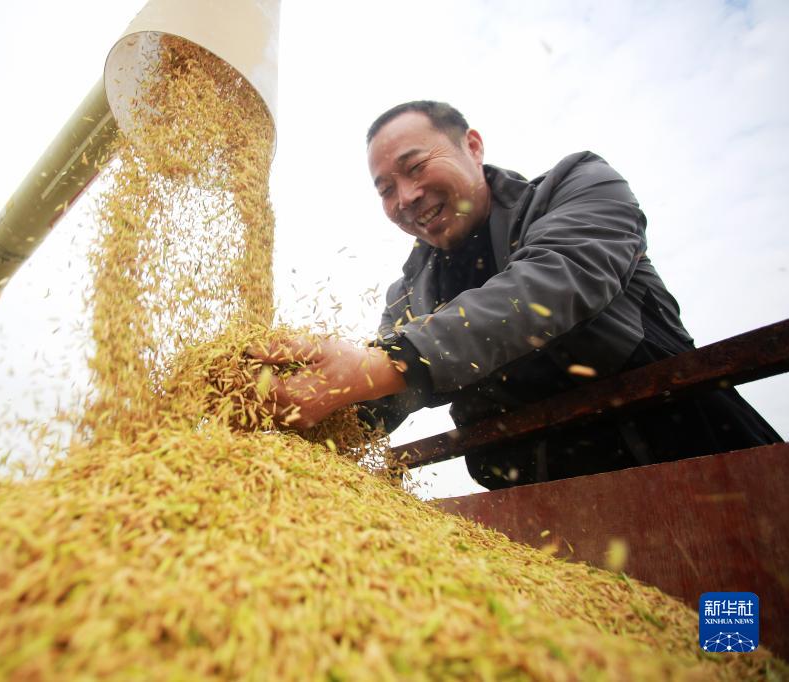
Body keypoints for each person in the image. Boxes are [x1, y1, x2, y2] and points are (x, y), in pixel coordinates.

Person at [254, 100, 781, 489]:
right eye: (386, 189)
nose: (407, 197)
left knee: (740, 613)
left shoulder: (578, 185)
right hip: (540, 514)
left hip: (701, 464)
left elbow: (554, 281)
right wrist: (291, 404)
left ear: (472, 146)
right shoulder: (407, 293)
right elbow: (384, 392)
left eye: (415, 168)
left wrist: (385, 362)